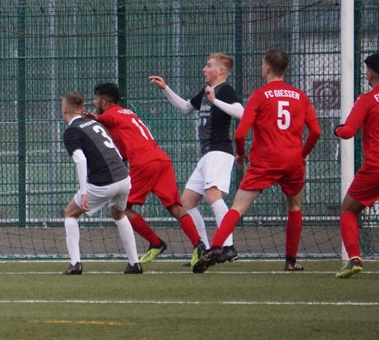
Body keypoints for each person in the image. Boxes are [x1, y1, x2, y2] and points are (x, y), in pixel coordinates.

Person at [193, 50, 321, 273]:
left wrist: (241, 154)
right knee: (294, 207)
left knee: (237, 208)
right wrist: (302, 155)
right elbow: (316, 132)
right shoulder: (300, 96)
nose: (261, 68)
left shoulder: (260, 96)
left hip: (265, 161)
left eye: (262, 65)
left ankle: (216, 247)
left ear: (267, 68)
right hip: (292, 161)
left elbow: (240, 134)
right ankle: (291, 261)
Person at [148, 53, 243, 266]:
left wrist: (215, 100)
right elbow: (184, 108)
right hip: (207, 154)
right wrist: (165, 88)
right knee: (187, 202)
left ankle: (228, 247)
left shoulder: (224, 90)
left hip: (219, 151)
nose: (204, 69)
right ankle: (206, 250)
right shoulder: (206, 91)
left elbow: (241, 112)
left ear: (221, 71)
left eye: (209, 66)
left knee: (213, 196)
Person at [91, 83, 203, 263]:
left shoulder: (111, 114)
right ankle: (199, 245)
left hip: (144, 163)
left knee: (120, 209)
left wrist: (93, 117)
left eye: (96, 98)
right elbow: (124, 148)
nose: (94, 101)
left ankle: (156, 243)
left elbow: (108, 120)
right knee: (175, 207)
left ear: (103, 101)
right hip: (161, 160)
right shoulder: (128, 113)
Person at [61, 92, 142, 275]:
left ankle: (75, 264)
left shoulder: (72, 131)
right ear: (82, 108)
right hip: (123, 177)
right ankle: (134, 263)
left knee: (71, 213)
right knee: (119, 214)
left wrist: (84, 192)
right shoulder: (94, 123)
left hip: (104, 183)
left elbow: (81, 160)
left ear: (65, 109)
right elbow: (114, 150)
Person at [333, 52, 379, 278]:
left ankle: (354, 258)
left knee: (348, 210)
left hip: (375, 168)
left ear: (369, 74)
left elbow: (348, 131)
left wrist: (337, 130)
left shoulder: (367, 100)